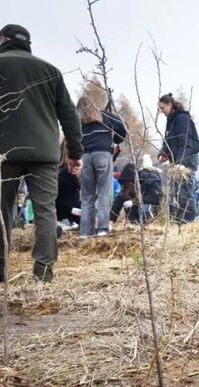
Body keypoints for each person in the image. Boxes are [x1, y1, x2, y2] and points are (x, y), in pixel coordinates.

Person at [0, 24, 83, 283]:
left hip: (4, 153)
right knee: (46, 211)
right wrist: (75, 152)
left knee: (2, 212)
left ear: (3, 39)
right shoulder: (50, 71)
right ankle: (43, 272)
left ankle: (0, 268)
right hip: (45, 155)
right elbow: (69, 116)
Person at [77, 96, 127, 238]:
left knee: (87, 196)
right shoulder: (103, 115)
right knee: (104, 193)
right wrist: (116, 140)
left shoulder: (79, 121)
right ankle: (103, 228)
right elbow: (123, 126)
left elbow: (73, 138)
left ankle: (85, 232)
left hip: (86, 156)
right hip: (103, 155)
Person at [158, 93, 199, 224]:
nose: (162, 112)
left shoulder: (182, 119)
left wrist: (182, 163)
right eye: (160, 109)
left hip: (188, 158)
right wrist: (163, 153)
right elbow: (167, 140)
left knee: (185, 191)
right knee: (177, 191)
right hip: (177, 160)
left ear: (170, 105)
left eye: (163, 108)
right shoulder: (170, 121)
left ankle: (188, 221)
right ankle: (180, 220)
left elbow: (185, 142)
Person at [56, 140, 82, 227]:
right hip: (63, 213)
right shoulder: (62, 173)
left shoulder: (74, 171)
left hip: (74, 212)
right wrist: (72, 210)